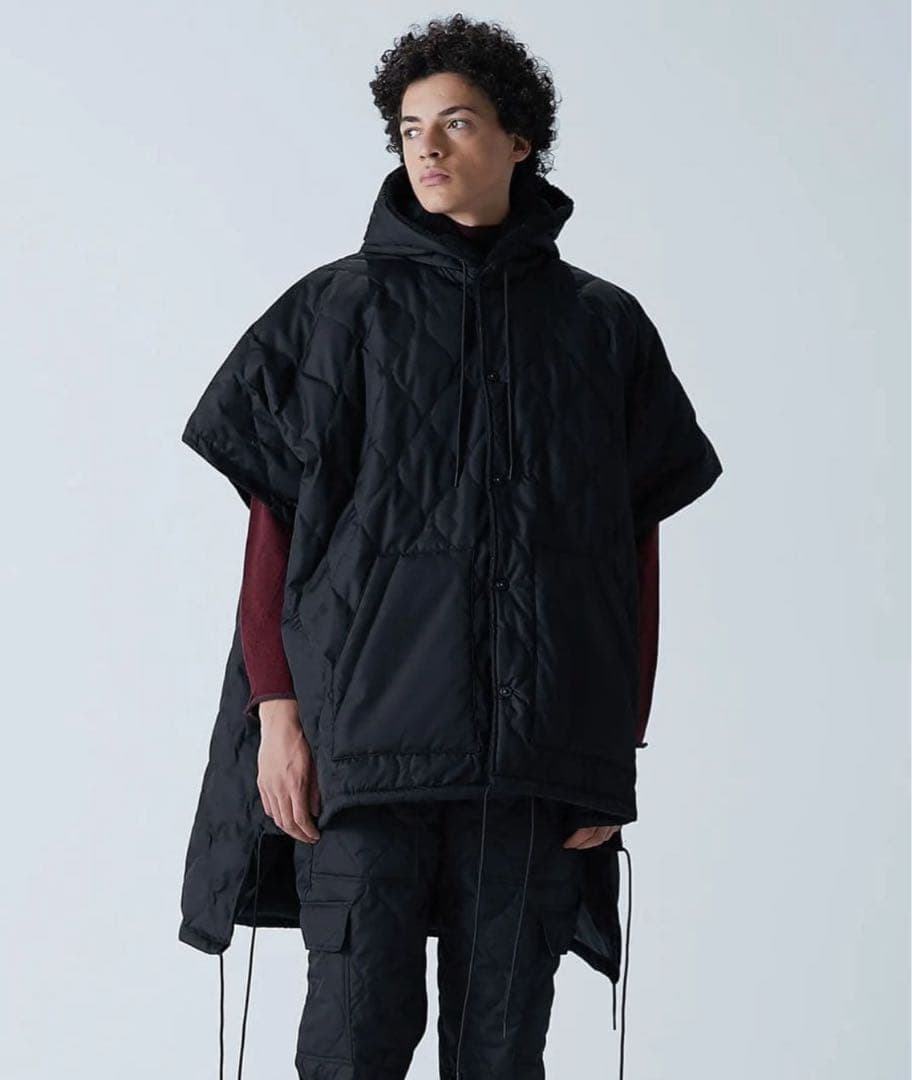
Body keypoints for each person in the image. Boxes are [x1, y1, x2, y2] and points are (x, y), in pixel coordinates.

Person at [178, 14, 722, 1080]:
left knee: (502, 1052)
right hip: (360, 751)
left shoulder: (603, 329)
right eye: (409, 128)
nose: (425, 147)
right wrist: (276, 717)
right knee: (352, 1045)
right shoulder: (333, 313)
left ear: (520, 141)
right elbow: (272, 533)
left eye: (457, 123)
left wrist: (611, 752)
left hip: (534, 758)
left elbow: (632, 557)